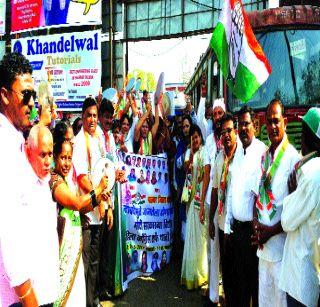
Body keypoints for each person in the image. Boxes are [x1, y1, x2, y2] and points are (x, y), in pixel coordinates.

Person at [0, 52, 41, 306]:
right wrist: (30, 300)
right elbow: (9, 233)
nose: (31, 103)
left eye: (33, 95)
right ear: (4, 95)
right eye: (25, 95)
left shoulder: (14, 140)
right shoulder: (4, 146)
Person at [253, 99, 300, 307]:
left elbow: (295, 211)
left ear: (285, 122)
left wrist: (269, 232)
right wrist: (255, 223)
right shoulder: (264, 157)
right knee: (264, 301)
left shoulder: (292, 159)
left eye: (276, 121)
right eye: (269, 122)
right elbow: (258, 196)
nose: (272, 126)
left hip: (282, 252)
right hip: (263, 250)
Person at [50, 138, 108, 306]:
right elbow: (76, 204)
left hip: (75, 253)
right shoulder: (55, 181)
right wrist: (97, 189)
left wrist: (97, 199)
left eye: (69, 158)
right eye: (62, 157)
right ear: (55, 157)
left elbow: (81, 209)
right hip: (63, 255)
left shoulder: (69, 182)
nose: (67, 163)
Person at [224, 106, 266, 307]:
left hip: (253, 233)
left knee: (255, 287)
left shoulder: (262, 153)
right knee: (239, 286)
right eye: (240, 125)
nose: (242, 129)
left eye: (246, 124)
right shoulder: (238, 153)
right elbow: (231, 191)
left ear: (255, 126)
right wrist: (227, 226)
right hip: (237, 231)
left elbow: (263, 196)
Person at [279, 107, 320, 307]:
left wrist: (293, 193)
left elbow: (287, 221)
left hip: (301, 277)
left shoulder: (311, 173)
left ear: (308, 136)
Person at [72, 97, 109, 307]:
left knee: (95, 263)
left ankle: (93, 301)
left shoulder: (96, 140)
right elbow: (82, 178)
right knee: (87, 265)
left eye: (95, 116)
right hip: (87, 212)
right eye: (89, 115)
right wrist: (99, 197)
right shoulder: (79, 142)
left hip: (98, 210)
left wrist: (105, 202)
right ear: (82, 116)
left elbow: (102, 171)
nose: (93, 119)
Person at [25, 125, 60, 306]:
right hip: (32, 293)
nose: (48, 161)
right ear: (29, 152)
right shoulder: (23, 188)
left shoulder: (48, 182)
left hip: (49, 287)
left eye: (50, 154)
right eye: (42, 155)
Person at [209, 113, 240, 307]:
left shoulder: (243, 157)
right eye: (223, 132)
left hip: (237, 226)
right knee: (226, 270)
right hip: (221, 222)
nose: (226, 135)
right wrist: (212, 220)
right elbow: (214, 190)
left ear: (235, 132)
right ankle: (227, 299)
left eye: (229, 131)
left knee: (239, 270)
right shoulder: (219, 159)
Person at [200, 98, 225, 305]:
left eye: (220, 114)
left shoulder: (229, 137)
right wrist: (202, 205)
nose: (217, 117)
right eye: (215, 114)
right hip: (212, 200)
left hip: (229, 202)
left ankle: (225, 290)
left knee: (227, 249)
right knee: (212, 248)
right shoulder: (209, 141)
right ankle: (213, 294)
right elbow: (206, 174)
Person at [181, 124, 208, 290]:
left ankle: (202, 273)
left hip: (201, 200)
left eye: (197, 136)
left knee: (201, 239)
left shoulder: (205, 152)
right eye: (193, 137)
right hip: (191, 201)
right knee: (191, 236)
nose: (195, 139)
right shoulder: (189, 152)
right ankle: (191, 274)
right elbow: (186, 170)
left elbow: (205, 175)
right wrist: (191, 155)